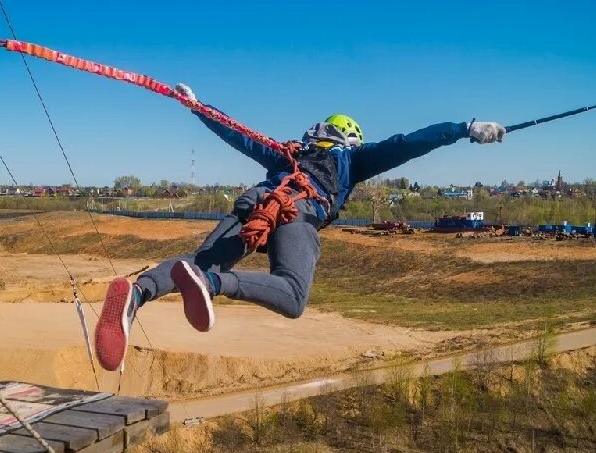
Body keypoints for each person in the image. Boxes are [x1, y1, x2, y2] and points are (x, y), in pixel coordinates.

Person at [93, 84, 506, 370]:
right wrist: (464, 130)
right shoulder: (351, 160)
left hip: (258, 201)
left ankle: (138, 292)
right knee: (291, 295)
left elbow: (237, 134)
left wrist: (197, 106)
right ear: (348, 138)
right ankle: (215, 287)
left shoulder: (283, 154)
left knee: (202, 261)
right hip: (298, 212)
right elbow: (406, 143)